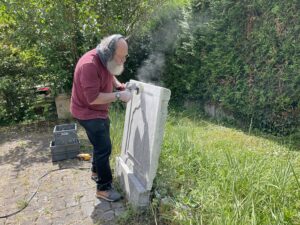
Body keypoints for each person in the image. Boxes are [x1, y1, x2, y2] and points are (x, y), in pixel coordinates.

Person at [70, 34, 132, 202]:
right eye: (119, 58)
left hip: (98, 111)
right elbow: (93, 98)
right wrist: (119, 96)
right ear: (108, 53)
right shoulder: (89, 65)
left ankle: (96, 171)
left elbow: (110, 74)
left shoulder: (105, 59)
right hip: (86, 111)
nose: (122, 62)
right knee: (104, 147)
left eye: (124, 57)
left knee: (100, 144)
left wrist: (118, 86)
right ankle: (103, 188)